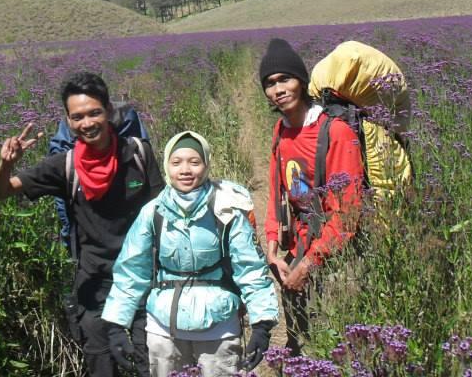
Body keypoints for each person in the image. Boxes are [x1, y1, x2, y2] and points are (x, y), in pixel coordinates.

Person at [0, 72, 163, 377]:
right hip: (94, 287)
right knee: (101, 367)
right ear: (68, 122)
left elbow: (164, 214)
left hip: (142, 282)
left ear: (108, 112)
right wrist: (6, 163)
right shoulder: (64, 166)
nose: (87, 123)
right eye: (77, 116)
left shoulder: (138, 153)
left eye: (94, 113)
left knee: (148, 366)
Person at [101, 130, 279, 377]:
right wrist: (116, 326)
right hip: (163, 329)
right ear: (166, 166)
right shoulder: (153, 212)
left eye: (194, 162)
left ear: (206, 165)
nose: (185, 170)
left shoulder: (227, 211)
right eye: (176, 162)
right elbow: (131, 271)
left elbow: (250, 269)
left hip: (219, 328)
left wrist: (262, 324)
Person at [258, 38, 364, 355]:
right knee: (299, 337)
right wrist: (274, 248)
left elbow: (348, 214)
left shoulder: (335, 133)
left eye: (284, 79)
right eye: (269, 83)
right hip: (297, 247)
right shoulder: (281, 131)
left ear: (301, 82)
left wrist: (309, 264)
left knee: (333, 342)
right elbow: (277, 191)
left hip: (334, 254)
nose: (278, 89)